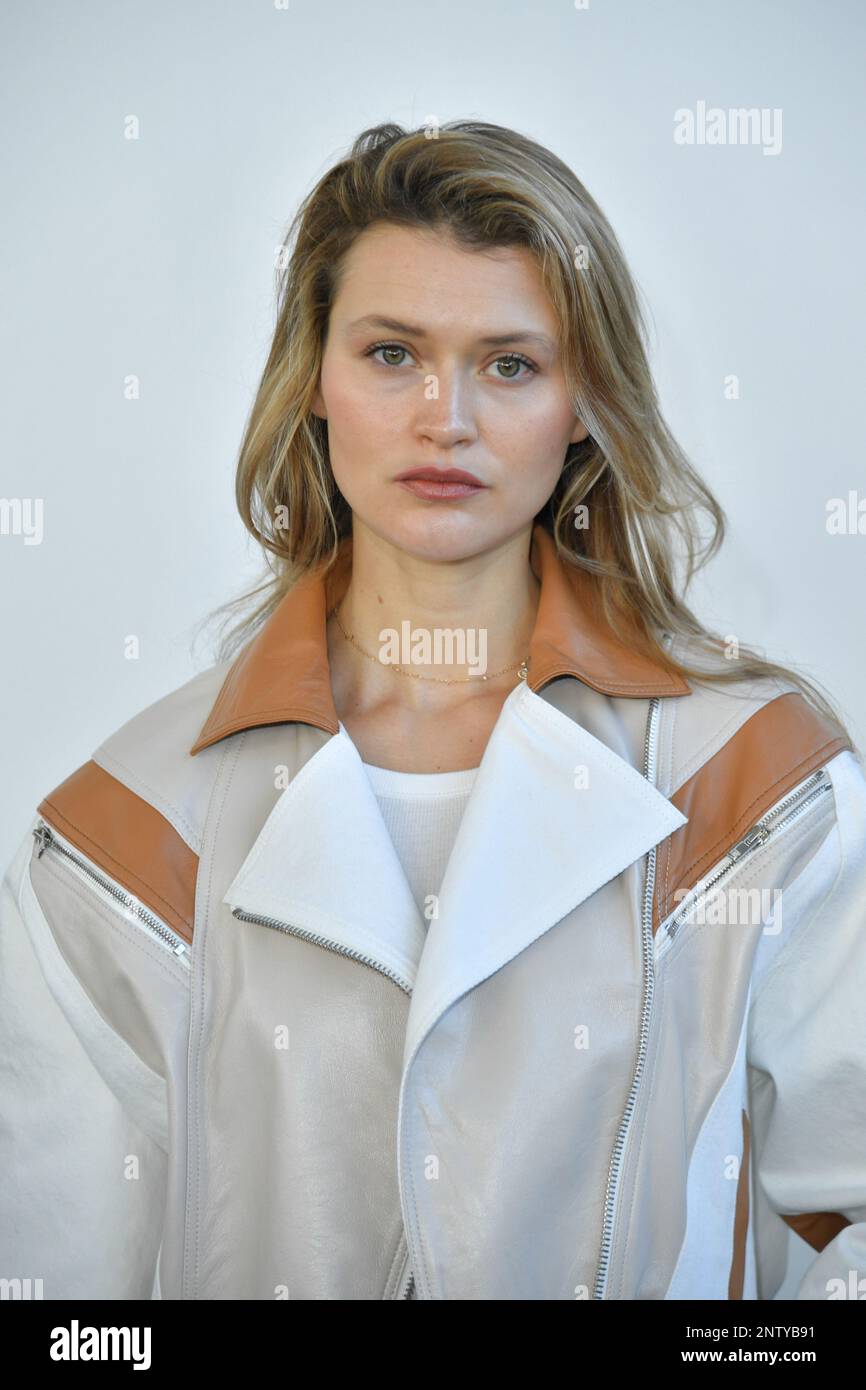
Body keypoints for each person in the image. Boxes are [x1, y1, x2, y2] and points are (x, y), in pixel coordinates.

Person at [1, 119, 864, 1302]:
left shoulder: (759, 783)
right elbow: (60, 1304)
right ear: (313, 378)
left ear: (581, 407)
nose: (443, 417)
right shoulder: (124, 829)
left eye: (509, 363)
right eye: (391, 353)